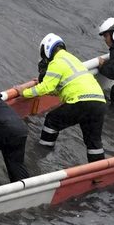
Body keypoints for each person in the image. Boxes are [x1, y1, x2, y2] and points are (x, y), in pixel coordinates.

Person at [14, 33, 107, 163]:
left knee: (52, 120)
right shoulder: (72, 59)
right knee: (93, 142)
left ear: (46, 50)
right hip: (99, 101)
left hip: (81, 101)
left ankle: (42, 152)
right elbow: (67, 85)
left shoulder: (56, 62)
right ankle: (99, 172)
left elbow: (45, 88)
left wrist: (24, 92)